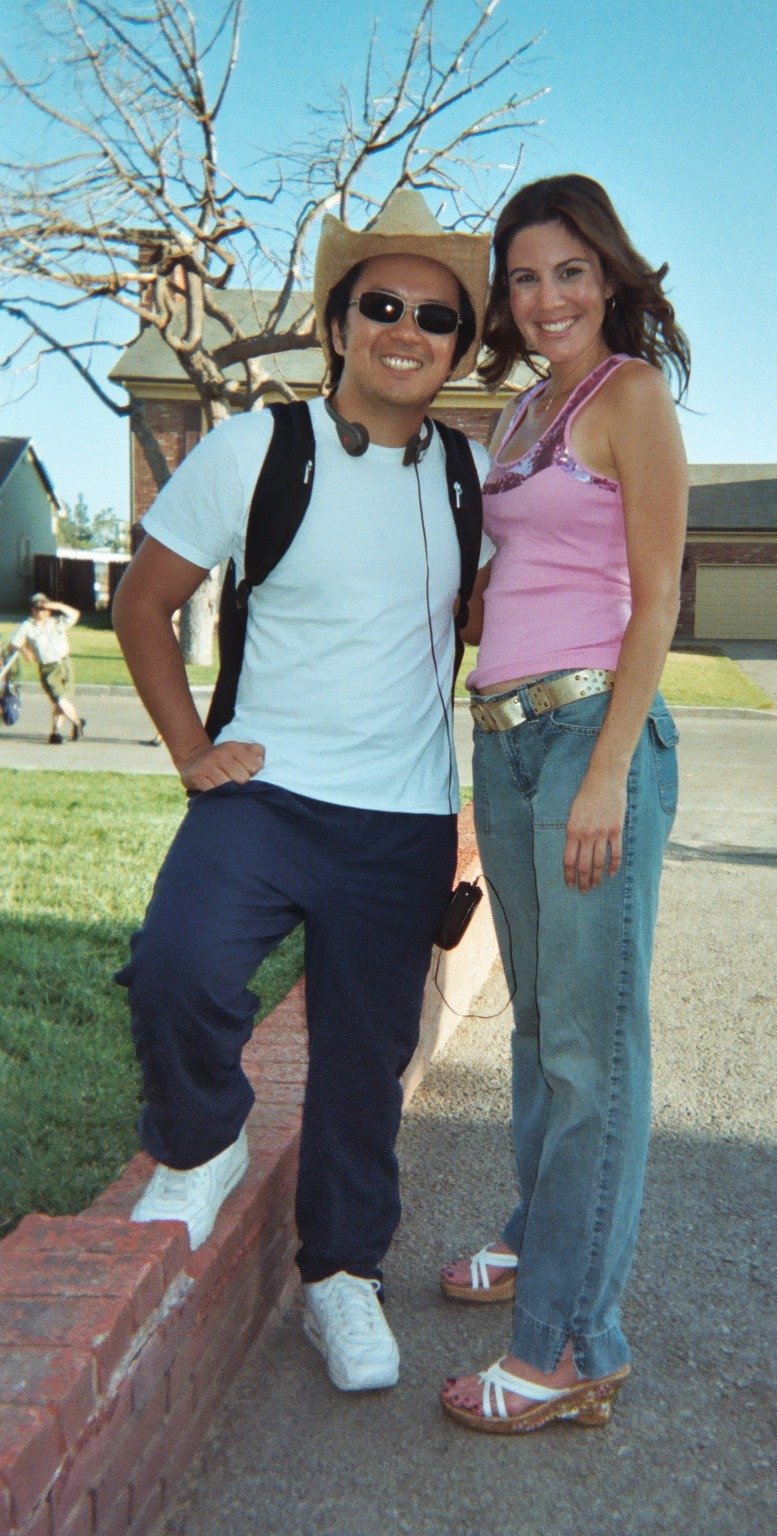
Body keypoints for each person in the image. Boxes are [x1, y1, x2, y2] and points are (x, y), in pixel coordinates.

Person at [112, 188, 491, 1394]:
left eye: (434, 316)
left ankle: (341, 1279)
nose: (406, 329)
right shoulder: (255, 449)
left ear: (457, 348)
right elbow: (142, 605)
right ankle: (199, 1144)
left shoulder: (468, 479)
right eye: (381, 304)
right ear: (338, 324)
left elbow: (487, 619)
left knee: (362, 1061)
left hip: (402, 818)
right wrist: (189, 750)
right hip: (266, 794)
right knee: (179, 965)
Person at [439, 174, 690, 1433]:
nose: (546, 299)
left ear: (613, 277)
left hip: (595, 730)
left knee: (595, 1049)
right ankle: (541, 1243)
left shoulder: (630, 397)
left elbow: (657, 601)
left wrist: (607, 769)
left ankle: (573, 1346)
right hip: (507, 735)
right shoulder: (518, 411)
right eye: (525, 276)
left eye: (570, 273)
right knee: (543, 1030)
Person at [2, 593, 86, 743]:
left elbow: (75, 615)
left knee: (61, 700)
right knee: (59, 699)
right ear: (32, 610)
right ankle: (78, 723)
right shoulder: (27, 626)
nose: (41, 611)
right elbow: (14, 644)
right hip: (48, 668)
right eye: (37, 608)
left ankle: (56, 733)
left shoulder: (56, 622)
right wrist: (25, 649)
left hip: (65, 664)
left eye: (43, 608)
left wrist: (57, 605)